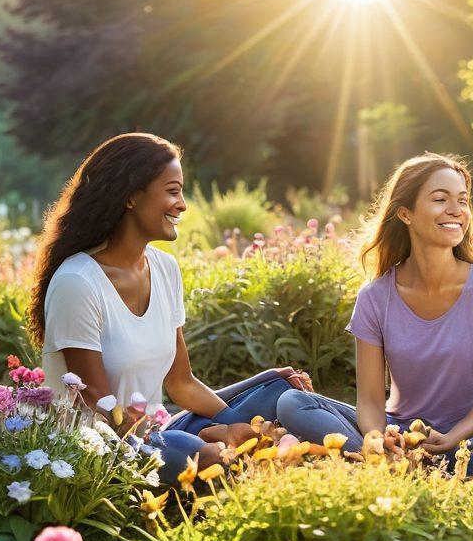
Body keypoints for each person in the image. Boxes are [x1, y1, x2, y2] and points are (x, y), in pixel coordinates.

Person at [29, 133, 307, 480]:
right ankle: (216, 452)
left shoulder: (164, 269)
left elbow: (181, 383)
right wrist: (202, 438)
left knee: (277, 393)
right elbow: (98, 405)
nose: (183, 205)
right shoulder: (78, 282)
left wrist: (239, 421)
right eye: (173, 191)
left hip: (160, 433)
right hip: (103, 448)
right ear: (131, 196)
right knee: (183, 450)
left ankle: (221, 449)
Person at [275, 152, 473, 473]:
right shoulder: (375, 296)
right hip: (397, 430)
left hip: (464, 434)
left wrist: (450, 438)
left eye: (462, 201)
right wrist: (378, 438)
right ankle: (407, 463)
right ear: (405, 214)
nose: (456, 210)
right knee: (293, 403)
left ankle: (402, 468)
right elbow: (370, 400)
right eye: (440, 199)